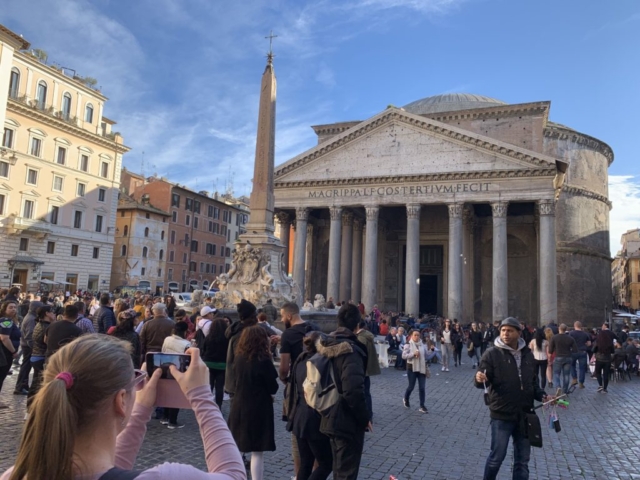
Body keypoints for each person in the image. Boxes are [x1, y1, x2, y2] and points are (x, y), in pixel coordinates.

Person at [2, 335, 246, 479]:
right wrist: (202, 396)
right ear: (121, 401)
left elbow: (111, 471)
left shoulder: (15, 474)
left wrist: (138, 410)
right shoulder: (167, 476)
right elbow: (233, 475)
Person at [475, 317, 548, 480]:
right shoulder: (492, 354)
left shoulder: (528, 355)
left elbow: (532, 383)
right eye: (503, 330)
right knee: (496, 458)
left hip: (525, 414)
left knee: (522, 462)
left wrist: (543, 395)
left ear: (519, 333)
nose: (505, 334)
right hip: (502, 414)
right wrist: (479, 378)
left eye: (509, 330)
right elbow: (481, 381)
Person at [317, 304, 369, 480]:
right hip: (346, 421)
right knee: (346, 473)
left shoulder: (325, 344)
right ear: (357, 326)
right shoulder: (351, 350)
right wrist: (364, 417)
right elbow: (353, 391)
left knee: (338, 470)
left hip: (327, 414)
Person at [228, 325, 279, 480]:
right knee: (257, 450)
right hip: (259, 407)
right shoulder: (263, 360)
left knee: (238, 445)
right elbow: (273, 386)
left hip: (239, 403)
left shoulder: (239, 358)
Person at [285, 331, 333, 480]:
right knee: (326, 464)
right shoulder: (319, 362)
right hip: (314, 418)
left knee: (306, 463)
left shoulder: (300, 359)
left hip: (299, 416)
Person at [161, 321, 191, 429]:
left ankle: (165, 417)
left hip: (165, 368)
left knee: (166, 394)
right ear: (185, 331)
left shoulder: (167, 339)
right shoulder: (186, 344)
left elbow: (163, 351)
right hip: (178, 371)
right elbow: (187, 359)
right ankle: (172, 421)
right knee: (176, 396)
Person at [225, 299, 258, 397]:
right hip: (239, 384)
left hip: (236, 382)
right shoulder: (242, 334)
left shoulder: (236, 330)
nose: (257, 317)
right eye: (254, 314)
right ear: (251, 316)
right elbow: (240, 360)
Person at [402, 329, 436, 413]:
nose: (417, 337)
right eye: (415, 335)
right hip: (412, 368)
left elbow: (427, 355)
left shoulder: (422, 345)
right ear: (411, 336)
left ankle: (422, 405)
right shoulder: (408, 345)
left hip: (421, 368)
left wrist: (431, 350)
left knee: (422, 388)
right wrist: (413, 354)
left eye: (418, 335)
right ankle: (406, 398)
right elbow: (404, 356)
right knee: (411, 386)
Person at [14, 300, 43, 395]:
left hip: (27, 345)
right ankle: (20, 386)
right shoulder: (31, 319)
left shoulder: (32, 317)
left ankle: (23, 385)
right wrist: (34, 347)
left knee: (26, 366)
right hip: (28, 346)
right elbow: (29, 335)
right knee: (26, 367)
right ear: (36, 308)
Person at [355, 320, 381, 421]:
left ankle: (367, 414)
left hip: (362, 369)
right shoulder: (367, 336)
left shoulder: (361, 338)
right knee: (366, 392)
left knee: (363, 393)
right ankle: (369, 413)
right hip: (367, 369)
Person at [202, 317, 229, 408]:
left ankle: (208, 406)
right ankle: (218, 406)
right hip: (222, 365)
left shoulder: (209, 337)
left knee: (209, 386)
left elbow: (203, 350)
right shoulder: (227, 338)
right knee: (219, 387)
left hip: (209, 364)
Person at [0, 301, 21, 406]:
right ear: (4, 309)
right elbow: (4, 338)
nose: (13, 309)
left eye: (15, 307)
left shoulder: (10, 321)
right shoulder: (6, 321)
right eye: (10, 307)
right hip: (5, 353)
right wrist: (13, 351)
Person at [548, 324, 578, 394]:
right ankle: (565, 390)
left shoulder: (554, 338)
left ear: (559, 329)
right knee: (566, 375)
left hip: (558, 357)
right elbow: (575, 350)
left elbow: (550, 350)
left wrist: (549, 359)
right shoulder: (570, 338)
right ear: (566, 329)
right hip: (568, 357)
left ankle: (558, 387)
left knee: (556, 373)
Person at [594, 322, 617, 393]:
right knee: (606, 374)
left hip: (599, 358)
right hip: (607, 359)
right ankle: (605, 388)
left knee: (598, 372)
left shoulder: (599, 341)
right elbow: (613, 351)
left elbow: (594, 349)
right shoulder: (610, 342)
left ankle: (600, 385)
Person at [568, 321, 591, 389]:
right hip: (583, 351)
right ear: (581, 326)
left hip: (573, 351)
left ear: (574, 326)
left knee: (572, 365)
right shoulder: (585, 334)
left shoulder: (571, 333)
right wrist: (585, 344)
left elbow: (569, 342)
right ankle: (581, 383)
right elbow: (589, 343)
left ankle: (574, 378)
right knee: (582, 368)